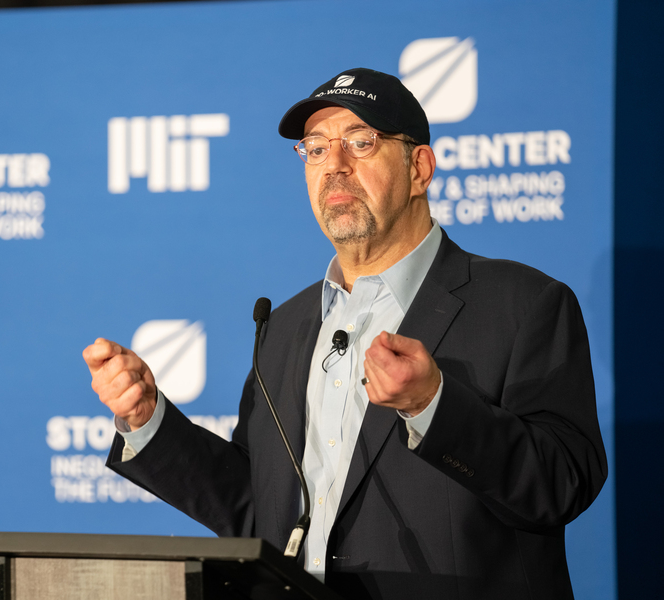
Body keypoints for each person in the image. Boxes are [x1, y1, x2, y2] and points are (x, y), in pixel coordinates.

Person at [83, 68, 607, 600]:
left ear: (419, 168)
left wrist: (433, 404)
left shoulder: (523, 304)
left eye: (361, 142)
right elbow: (259, 510)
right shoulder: (284, 326)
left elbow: (564, 483)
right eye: (314, 148)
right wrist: (150, 422)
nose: (333, 165)